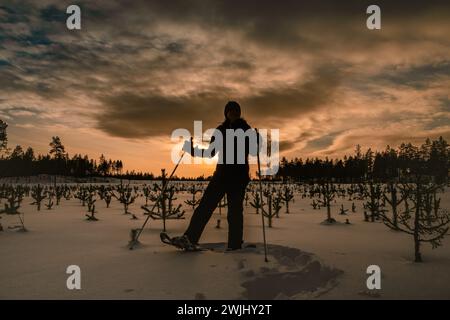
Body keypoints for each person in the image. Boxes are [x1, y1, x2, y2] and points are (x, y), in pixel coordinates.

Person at [173, 101, 259, 250]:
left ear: (239, 113)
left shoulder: (246, 129)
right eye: (230, 110)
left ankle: (235, 245)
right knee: (204, 207)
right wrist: (191, 150)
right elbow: (210, 153)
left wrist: (256, 140)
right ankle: (190, 238)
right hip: (221, 176)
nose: (233, 113)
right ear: (226, 113)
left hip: (238, 178)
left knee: (235, 214)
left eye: (235, 110)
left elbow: (253, 151)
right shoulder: (220, 130)